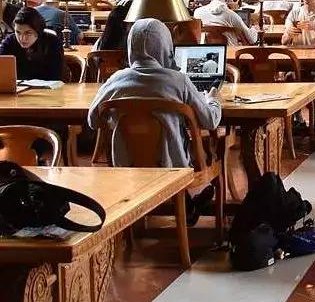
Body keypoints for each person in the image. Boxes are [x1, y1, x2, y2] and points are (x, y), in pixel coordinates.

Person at [87, 19, 222, 213]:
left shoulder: (114, 80)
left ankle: (185, 203)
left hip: (125, 165)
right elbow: (209, 120)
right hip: (173, 168)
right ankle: (188, 200)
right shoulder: (178, 81)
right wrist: (212, 99)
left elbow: (92, 121)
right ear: (166, 47)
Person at [0, 6, 64, 82]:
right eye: (18, 32)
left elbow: (56, 78)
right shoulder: (9, 41)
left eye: (28, 33)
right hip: (16, 90)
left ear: (38, 30)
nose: (22, 38)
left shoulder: (52, 42)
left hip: (47, 91)